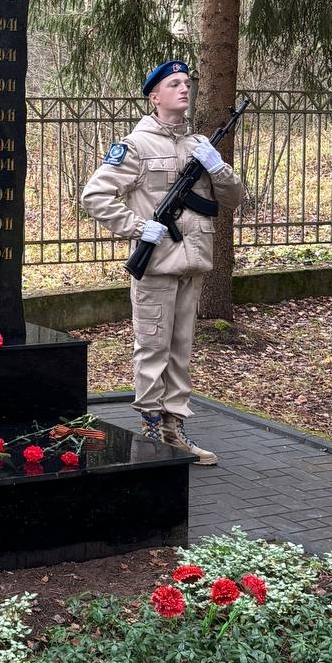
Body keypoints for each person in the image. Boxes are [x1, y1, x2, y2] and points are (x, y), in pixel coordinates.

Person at [81, 60, 244, 466]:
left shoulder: (200, 145)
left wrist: (217, 167)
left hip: (193, 264)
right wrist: (138, 227)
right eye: (174, 84)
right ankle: (152, 429)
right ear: (154, 96)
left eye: (186, 83)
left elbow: (232, 199)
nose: (184, 89)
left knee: (180, 350)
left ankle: (175, 428)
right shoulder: (135, 146)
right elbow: (95, 196)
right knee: (153, 348)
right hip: (155, 265)